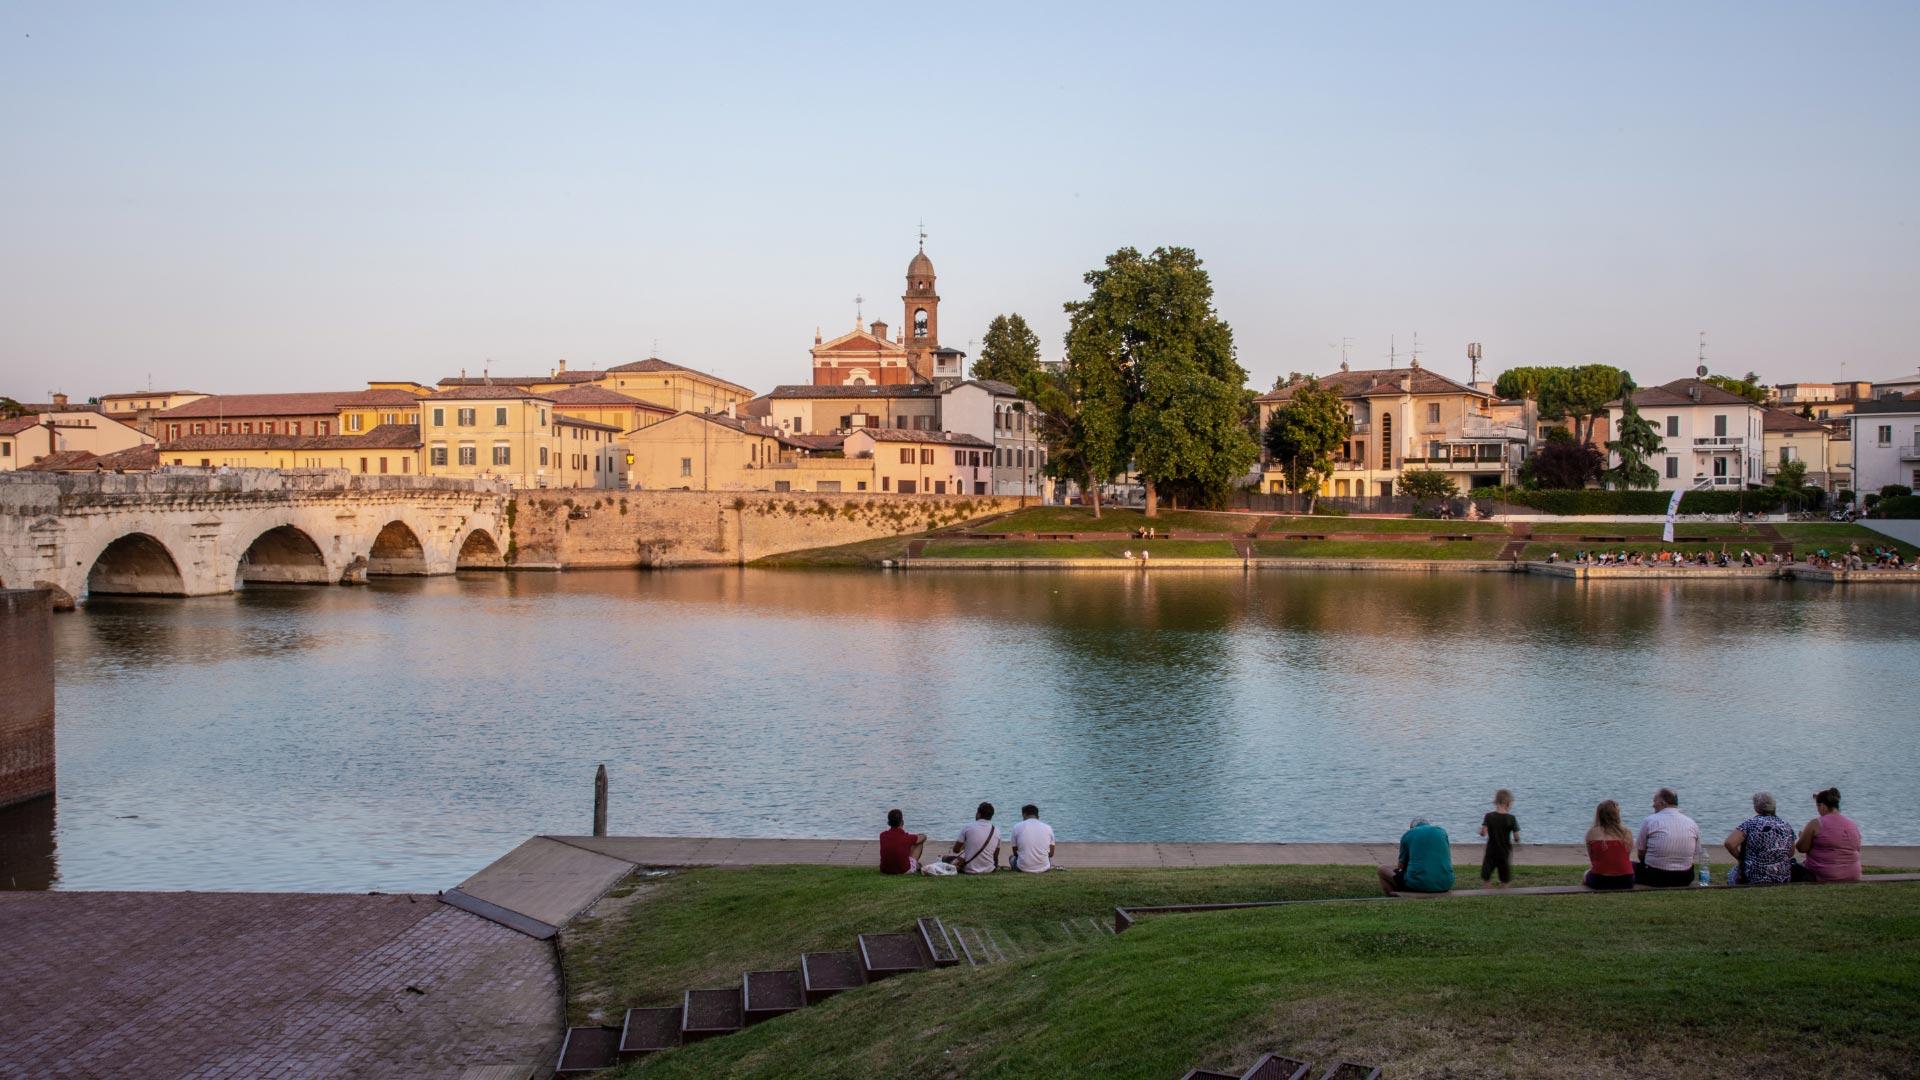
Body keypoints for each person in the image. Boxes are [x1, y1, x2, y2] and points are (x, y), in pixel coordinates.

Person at [1633, 787, 1700, 887]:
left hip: (1654, 876)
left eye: (1654, 801)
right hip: (1685, 877)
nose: (1653, 805)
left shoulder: (1650, 821)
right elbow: (1694, 853)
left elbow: (1641, 852)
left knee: (1629, 866)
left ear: (1662, 803)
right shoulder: (1692, 823)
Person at [1723, 792, 1794, 885]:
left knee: (1732, 873)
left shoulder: (1750, 824)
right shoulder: (1785, 825)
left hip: (1754, 876)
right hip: (1782, 876)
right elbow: (1791, 852)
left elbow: (1729, 843)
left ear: (1756, 808)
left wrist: (1741, 858)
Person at [1795, 787, 1862, 882]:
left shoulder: (1816, 823)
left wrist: (1802, 837)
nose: (1818, 810)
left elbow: (1801, 848)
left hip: (1824, 874)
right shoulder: (1852, 825)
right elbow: (1857, 848)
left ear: (1822, 806)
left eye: (1817, 806)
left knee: (1791, 866)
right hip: (1853, 874)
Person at [1377, 816, 1454, 896]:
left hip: (1418, 884)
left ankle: (1393, 895)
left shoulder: (1408, 834)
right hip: (1446, 884)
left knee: (1382, 870)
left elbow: (1401, 866)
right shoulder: (1442, 832)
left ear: (1412, 827)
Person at [1584, 800, 1636, 890]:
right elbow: (1626, 855)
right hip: (1626, 880)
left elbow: (1593, 858)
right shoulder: (1626, 832)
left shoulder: (1592, 833)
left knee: (1586, 874)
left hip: (1600, 880)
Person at [1478, 789, 1520, 887]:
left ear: (1496, 802)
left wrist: (1481, 832)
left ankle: (1487, 890)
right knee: (1504, 876)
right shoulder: (1511, 818)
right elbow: (1516, 836)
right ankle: (1504, 890)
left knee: (1486, 875)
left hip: (1491, 850)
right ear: (1508, 803)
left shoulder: (1489, 816)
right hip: (1504, 850)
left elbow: (1483, 833)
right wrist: (1517, 840)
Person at [945, 802, 1000, 874]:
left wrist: (965, 847)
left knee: (945, 858)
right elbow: (995, 856)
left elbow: (956, 850)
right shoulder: (997, 831)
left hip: (970, 869)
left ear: (978, 813)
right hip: (989, 869)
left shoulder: (968, 827)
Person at [1009, 803, 1056, 873]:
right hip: (1044, 867)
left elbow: (1015, 853)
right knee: (1047, 858)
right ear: (1037, 815)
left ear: (1024, 814)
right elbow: (1051, 854)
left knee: (1011, 858)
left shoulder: (1016, 827)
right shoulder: (1048, 828)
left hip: (1022, 868)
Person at [878, 808, 926, 876]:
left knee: (903, 845)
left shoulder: (882, 835)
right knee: (919, 843)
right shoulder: (906, 837)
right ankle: (915, 865)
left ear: (889, 822)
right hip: (903, 870)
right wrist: (920, 835)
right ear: (902, 822)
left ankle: (911, 863)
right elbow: (924, 837)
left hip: (885, 870)